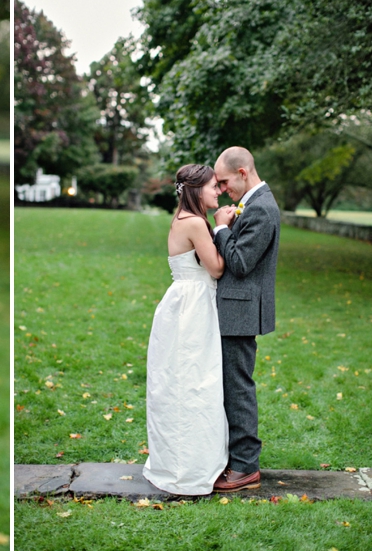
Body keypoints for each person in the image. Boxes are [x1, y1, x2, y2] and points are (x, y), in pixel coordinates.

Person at [143, 164, 229, 496]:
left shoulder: (183, 218)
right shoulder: (195, 222)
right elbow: (217, 269)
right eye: (212, 187)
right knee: (192, 382)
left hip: (185, 304)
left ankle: (186, 462)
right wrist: (222, 227)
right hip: (192, 309)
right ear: (195, 190)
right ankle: (188, 470)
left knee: (185, 381)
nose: (217, 191)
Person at [211, 146, 281, 493]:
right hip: (235, 308)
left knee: (238, 388)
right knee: (231, 385)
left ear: (242, 173)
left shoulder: (262, 210)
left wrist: (222, 229)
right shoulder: (253, 205)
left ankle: (245, 466)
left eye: (224, 182)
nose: (222, 189)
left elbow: (239, 264)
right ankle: (232, 457)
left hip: (239, 311)